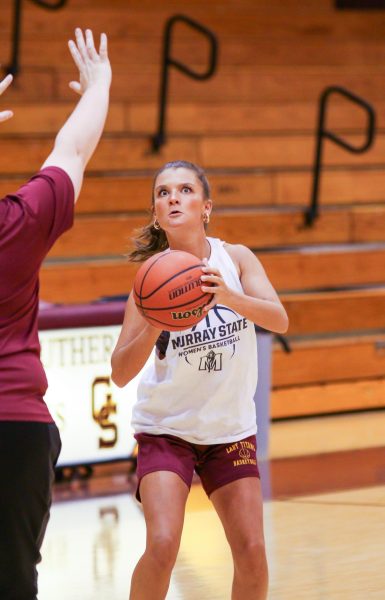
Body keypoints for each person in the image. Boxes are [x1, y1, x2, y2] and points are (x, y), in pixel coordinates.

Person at [111, 160, 289, 600]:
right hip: (167, 431)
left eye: (185, 190)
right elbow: (119, 372)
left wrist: (229, 296)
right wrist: (155, 322)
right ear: (156, 213)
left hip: (229, 430)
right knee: (163, 544)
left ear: (206, 207)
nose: (173, 197)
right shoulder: (149, 281)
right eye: (163, 192)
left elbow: (280, 319)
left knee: (252, 551)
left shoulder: (237, 259)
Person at [0, 28, 111, 599]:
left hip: (18, 425)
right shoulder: (15, 223)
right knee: (14, 580)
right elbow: (72, 149)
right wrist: (99, 86)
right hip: (15, 426)